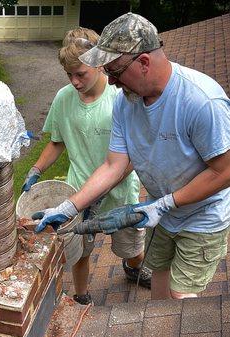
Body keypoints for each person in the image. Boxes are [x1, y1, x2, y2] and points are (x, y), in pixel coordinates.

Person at [32, 13, 230, 300]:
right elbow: (115, 164)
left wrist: (164, 203)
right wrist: (69, 206)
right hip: (163, 215)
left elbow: (224, 171)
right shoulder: (127, 103)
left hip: (202, 216)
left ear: (144, 63)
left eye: (115, 72)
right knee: (159, 291)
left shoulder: (201, 101)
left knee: (179, 299)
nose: (111, 82)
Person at [22, 27, 148, 305]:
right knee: (80, 251)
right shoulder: (63, 99)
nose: (74, 82)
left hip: (120, 193)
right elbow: (57, 142)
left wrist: (104, 188)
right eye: (69, 75)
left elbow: (133, 154)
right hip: (78, 194)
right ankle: (81, 295)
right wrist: (36, 170)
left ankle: (134, 266)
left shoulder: (121, 99)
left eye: (81, 74)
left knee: (130, 246)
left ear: (100, 65)